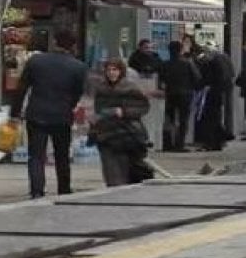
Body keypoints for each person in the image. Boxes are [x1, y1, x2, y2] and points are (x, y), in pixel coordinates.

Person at [10, 30, 87, 199]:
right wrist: (70, 105)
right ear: (73, 46)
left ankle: (37, 190)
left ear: (54, 42)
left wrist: (14, 113)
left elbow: (22, 88)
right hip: (62, 115)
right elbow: (78, 92)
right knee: (62, 155)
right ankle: (64, 189)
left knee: (36, 155)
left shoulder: (36, 61)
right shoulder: (78, 66)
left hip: (36, 113)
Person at [89, 60, 152, 187]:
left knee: (130, 171)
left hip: (127, 134)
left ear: (121, 71)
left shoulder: (130, 88)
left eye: (115, 70)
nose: (112, 73)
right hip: (107, 134)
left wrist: (124, 112)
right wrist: (94, 126)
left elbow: (143, 107)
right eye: (109, 70)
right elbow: (98, 110)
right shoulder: (101, 89)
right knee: (112, 172)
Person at [158, 41, 200, 152]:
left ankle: (167, 144)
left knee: (169, 119)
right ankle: (179, 144)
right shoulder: (187, 63)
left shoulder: (165, 64)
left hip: (170, 93)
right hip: (185, 94)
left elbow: (161, 81)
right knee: (183, 120)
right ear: (181, 50)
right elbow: (197, 78)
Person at [195, 43, 235, 150]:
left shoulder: (211, 64)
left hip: (211, 94)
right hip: (217, 93)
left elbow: (206, 79)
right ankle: (218, 141)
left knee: (210, 119)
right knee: (215, 118)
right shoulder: (221, 61)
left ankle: (211, 142)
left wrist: (203, 85)